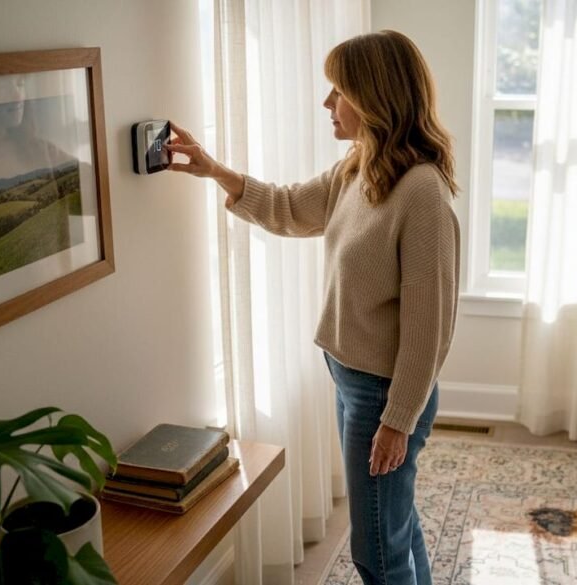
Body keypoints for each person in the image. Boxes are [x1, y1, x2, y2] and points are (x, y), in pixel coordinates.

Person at [166, 29, 460, 585]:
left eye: (338, 91)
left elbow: (429, 330)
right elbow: (287, 207)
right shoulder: (359, 168)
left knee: (376, 550)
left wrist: (397, 421)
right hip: (350, 378)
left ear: (374, 97)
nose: (327, 103)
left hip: (384, 392)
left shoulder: (421, 192)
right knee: (395, 524)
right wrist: (213, 168)